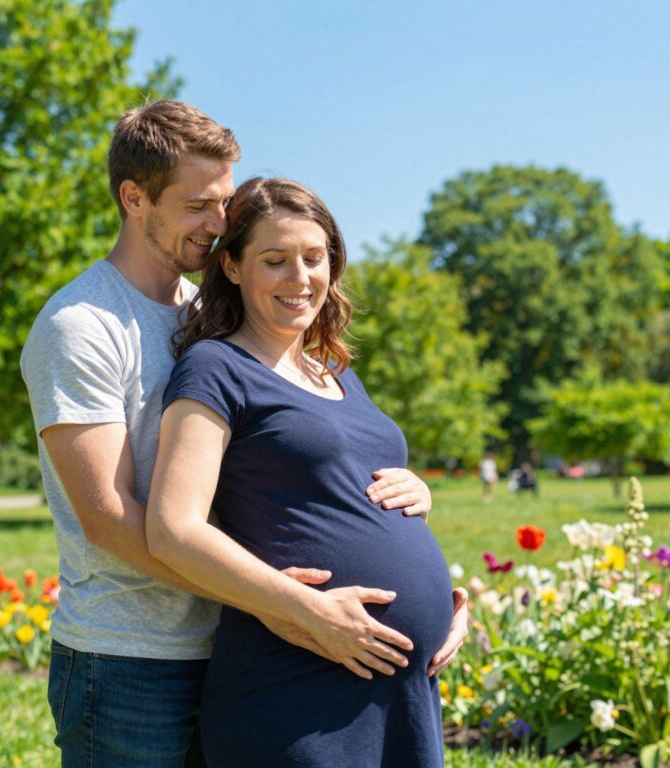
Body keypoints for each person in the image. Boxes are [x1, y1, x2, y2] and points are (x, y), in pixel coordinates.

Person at [20, 101, 467, 767]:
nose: (221, 223)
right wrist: (286, 602)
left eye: (226, 201)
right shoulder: (82, 326)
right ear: (134, 197)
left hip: (237, 640)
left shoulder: (212, 317)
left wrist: (403, 502)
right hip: (132, 657)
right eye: (200, 204)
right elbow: (109, 518)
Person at [145, 177, 454, 766]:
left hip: (398, 693)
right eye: (275, 260)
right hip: (297, 683)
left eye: (314, 258)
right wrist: (309, 609)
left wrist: (424, 519)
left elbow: (338, 491)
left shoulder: (337, 375)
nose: (300, 277)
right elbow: (172, 528)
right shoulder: (216, 368)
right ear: (232, 267)